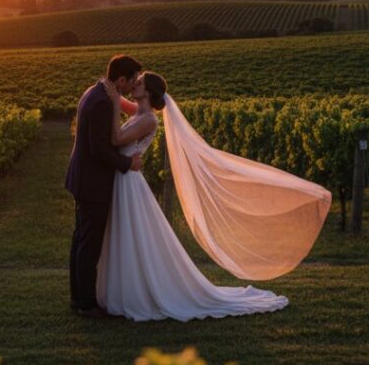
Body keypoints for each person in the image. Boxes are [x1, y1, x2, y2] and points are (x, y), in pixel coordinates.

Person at [96, 72, 331, 321]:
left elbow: (117, 138)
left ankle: (137, 293)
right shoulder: (139, 112)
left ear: (150, 91)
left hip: (129, 183)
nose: (135, 84)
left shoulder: (149, 120)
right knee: (127, 235)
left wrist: (112, 104)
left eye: (140, 82)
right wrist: (111, 88)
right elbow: (123, 103)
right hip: (125, 179)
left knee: (135, 236)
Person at [65, 54, 143, 318]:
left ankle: (79, 298)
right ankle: (86, 303)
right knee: (89, 243)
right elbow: (99, 150)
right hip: (92, 181)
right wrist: (127, 163)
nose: (133, 88)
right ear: (120, 80)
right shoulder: (101, 102)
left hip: (84, 177)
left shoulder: (98, 91)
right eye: (131, 83)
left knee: (81, 240)